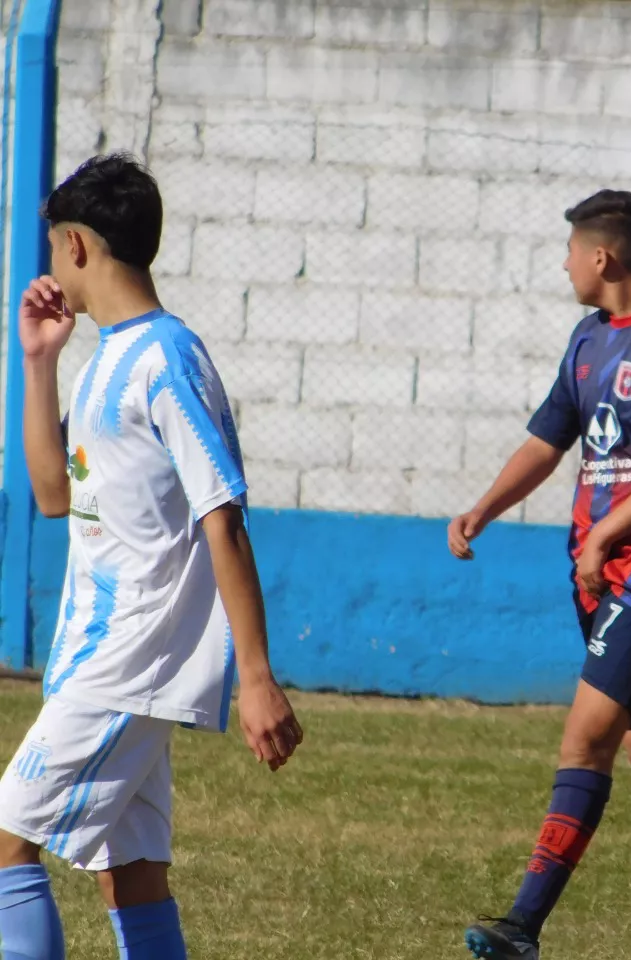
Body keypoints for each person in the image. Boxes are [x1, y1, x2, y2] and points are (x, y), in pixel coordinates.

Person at [0, 153, 303, 960]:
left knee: (4, 842)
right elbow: (55, 496)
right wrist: (39, 360)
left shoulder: (168, 359)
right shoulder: (108, 358)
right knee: (128, 873)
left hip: (127, 661)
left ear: (76, 248)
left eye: (53, 248)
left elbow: (223, 517)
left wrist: (257, 676)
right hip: (99, 655)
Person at [448, 190, 631, 960]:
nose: (566, 264)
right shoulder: (588, 338)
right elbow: (549, 440)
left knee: (586, 739)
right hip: (598, 576)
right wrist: (484, 508)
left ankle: (522, 927)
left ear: (603, 257)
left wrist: (608, 531)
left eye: (572, 251)